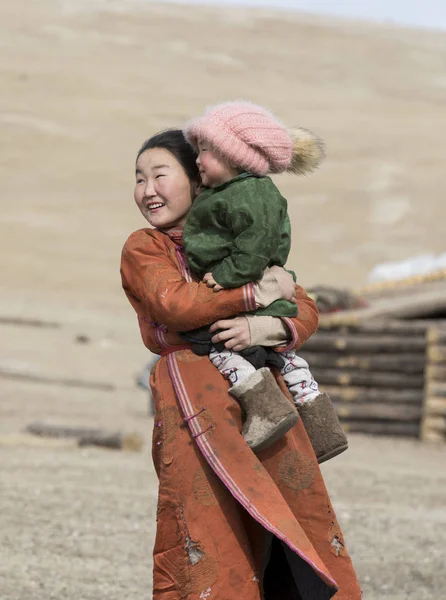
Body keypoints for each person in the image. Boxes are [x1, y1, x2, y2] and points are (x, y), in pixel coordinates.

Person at [120, 129, 362, 599]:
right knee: (206, 525)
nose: (147, 190)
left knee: (293, 524)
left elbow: (302, 304)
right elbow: (177, 305)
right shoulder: (145, 247)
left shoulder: (241, 243)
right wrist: (253, 295)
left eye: (160, 175)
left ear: (200, 178)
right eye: (138, 178)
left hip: (265, 403)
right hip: (192, 400)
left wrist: (266, 329)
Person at [181, 100, 347, 461]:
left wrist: (226, 276)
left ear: (235, 155)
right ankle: (321, 427)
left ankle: (264, 409)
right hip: (258, 295)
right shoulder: (234, 192)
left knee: (221, 350)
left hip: (246, 291)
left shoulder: (252, 194)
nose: (198, 159)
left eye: (206, 150)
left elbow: (255, 247)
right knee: (285, 361)